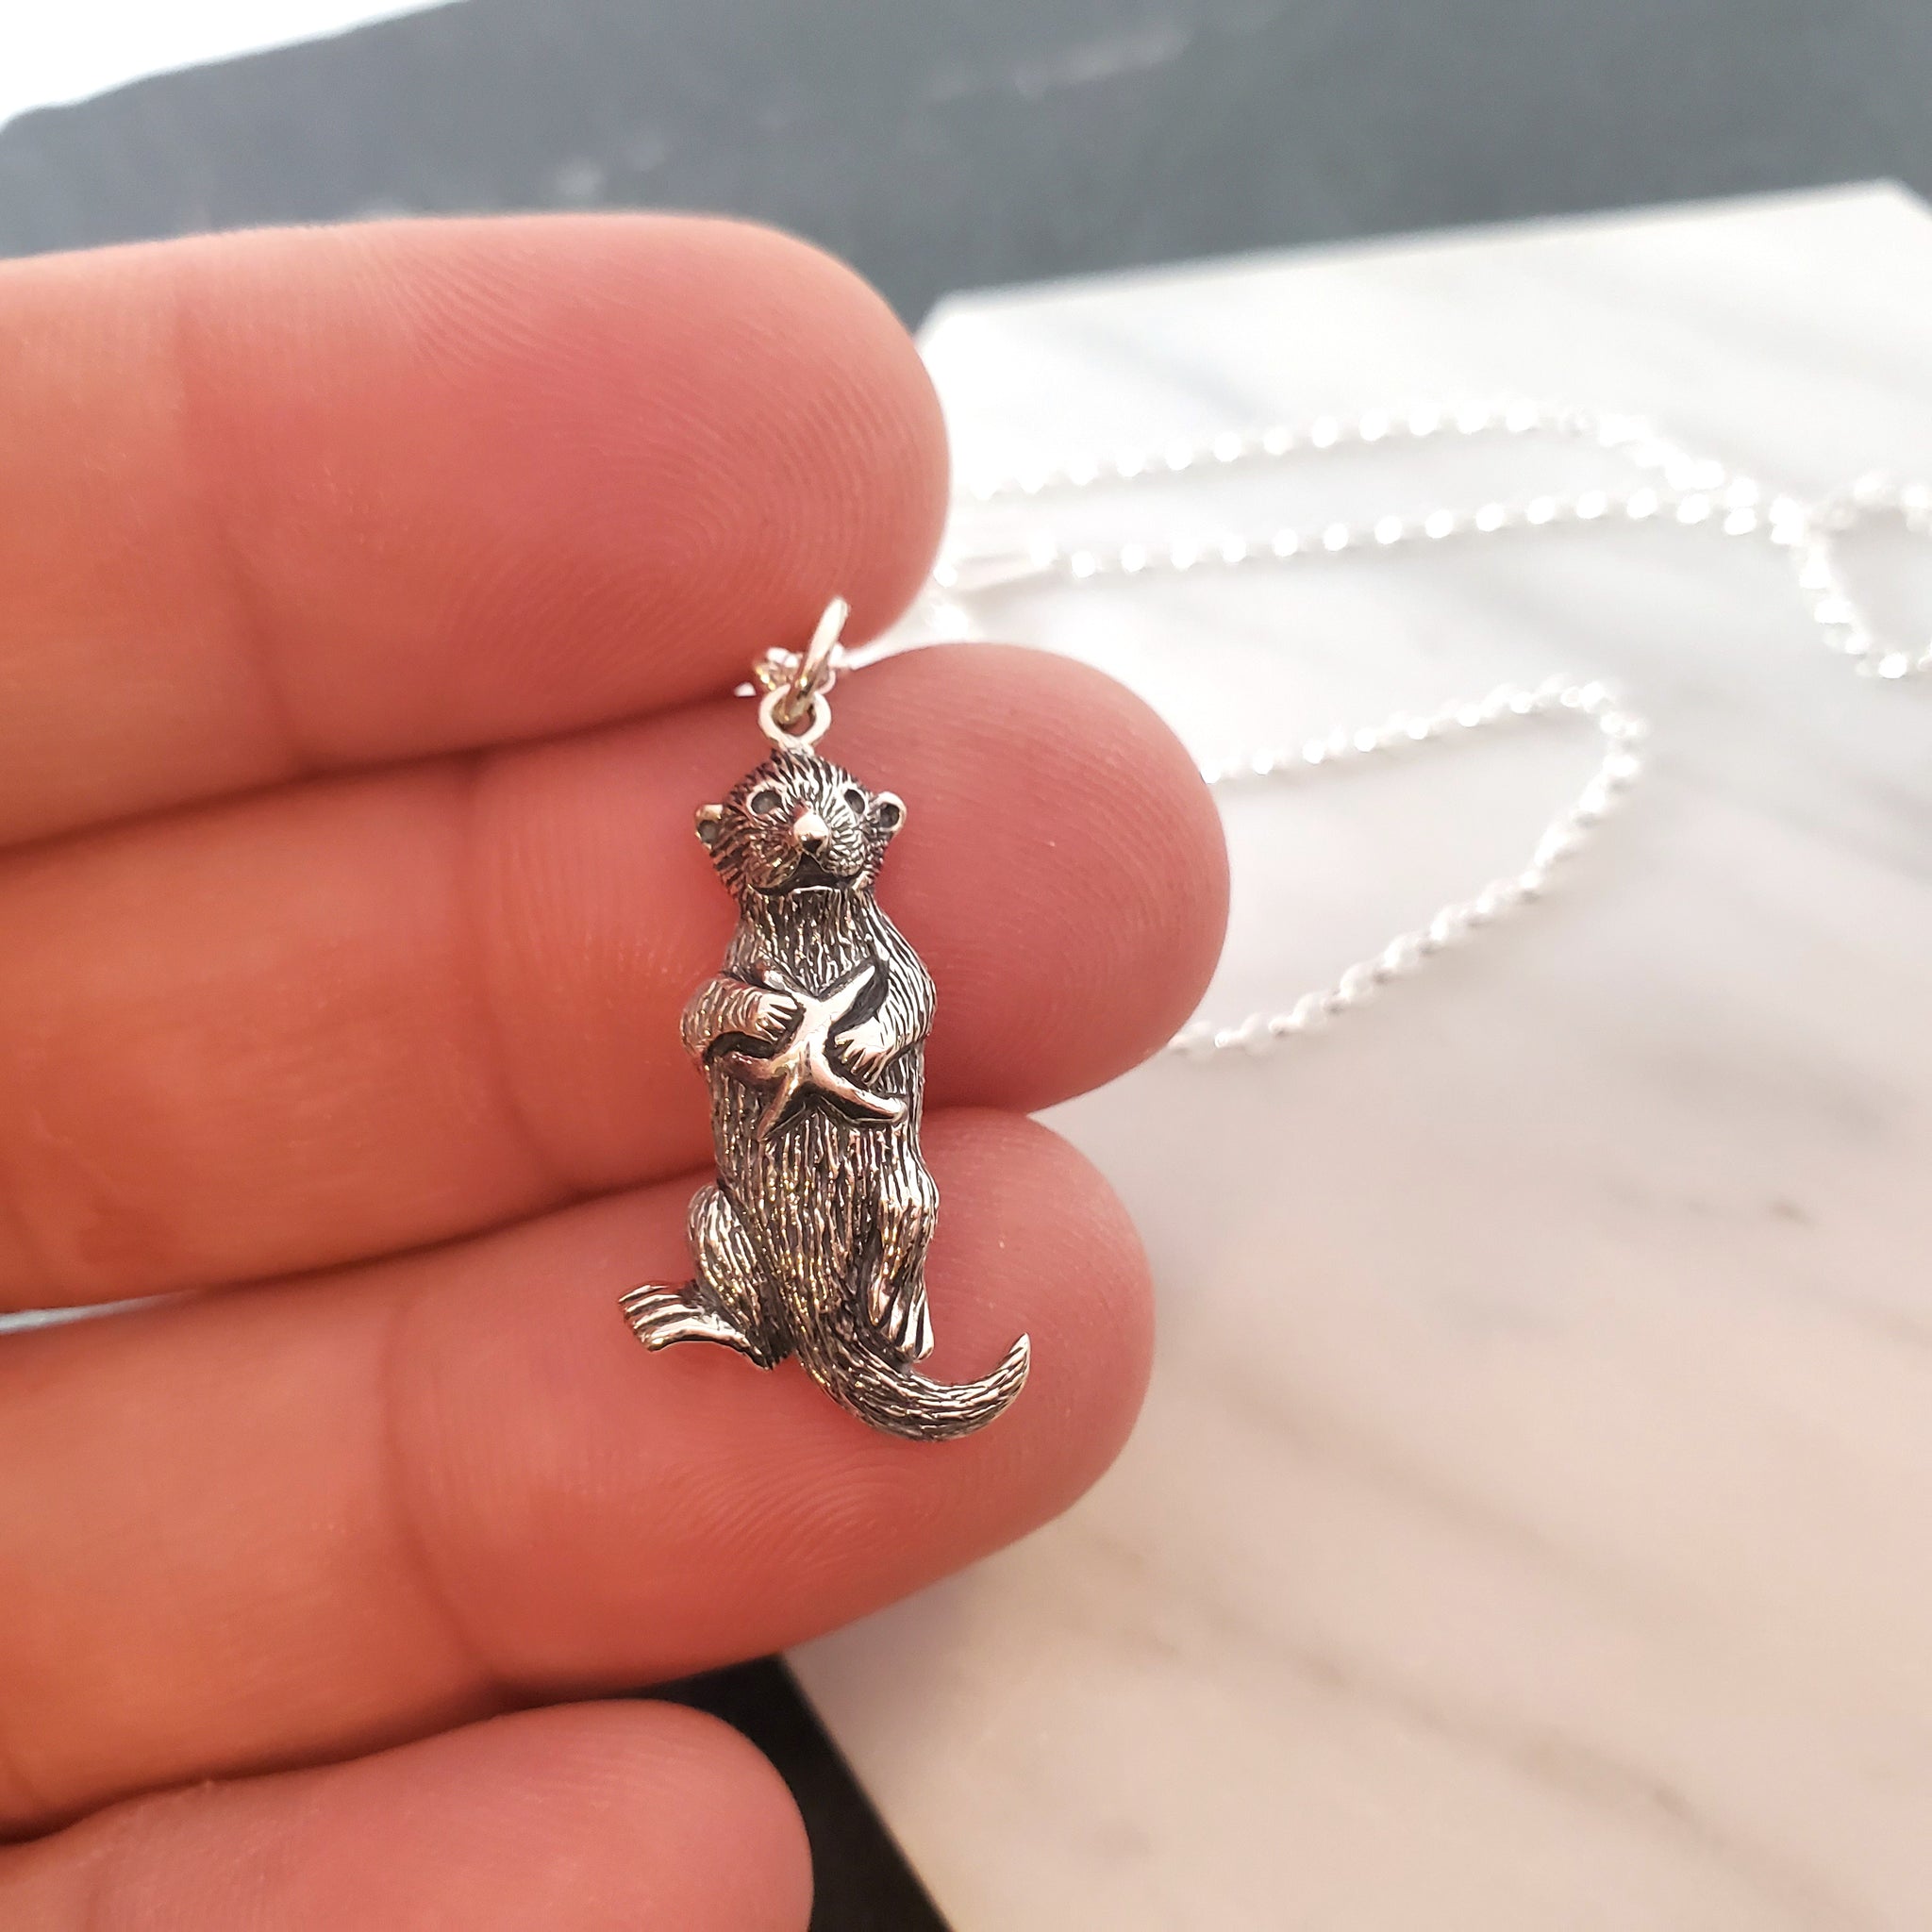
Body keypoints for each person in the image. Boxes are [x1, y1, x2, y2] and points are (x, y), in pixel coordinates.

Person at [0, 213, 1226, 1928]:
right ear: (738, 848)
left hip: (855, 1182)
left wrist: (828, 1049)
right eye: (775, 825)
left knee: (906, 1202)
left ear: (869, 832)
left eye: (828, 822)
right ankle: (751, 1318)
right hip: (761, 1205)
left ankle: (880, 1333)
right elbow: (710, 1028)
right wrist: (771, 1038)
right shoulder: (746, 956)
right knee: (727, 1237)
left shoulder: (878, 952)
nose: (805, 838)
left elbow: (897, 1034)